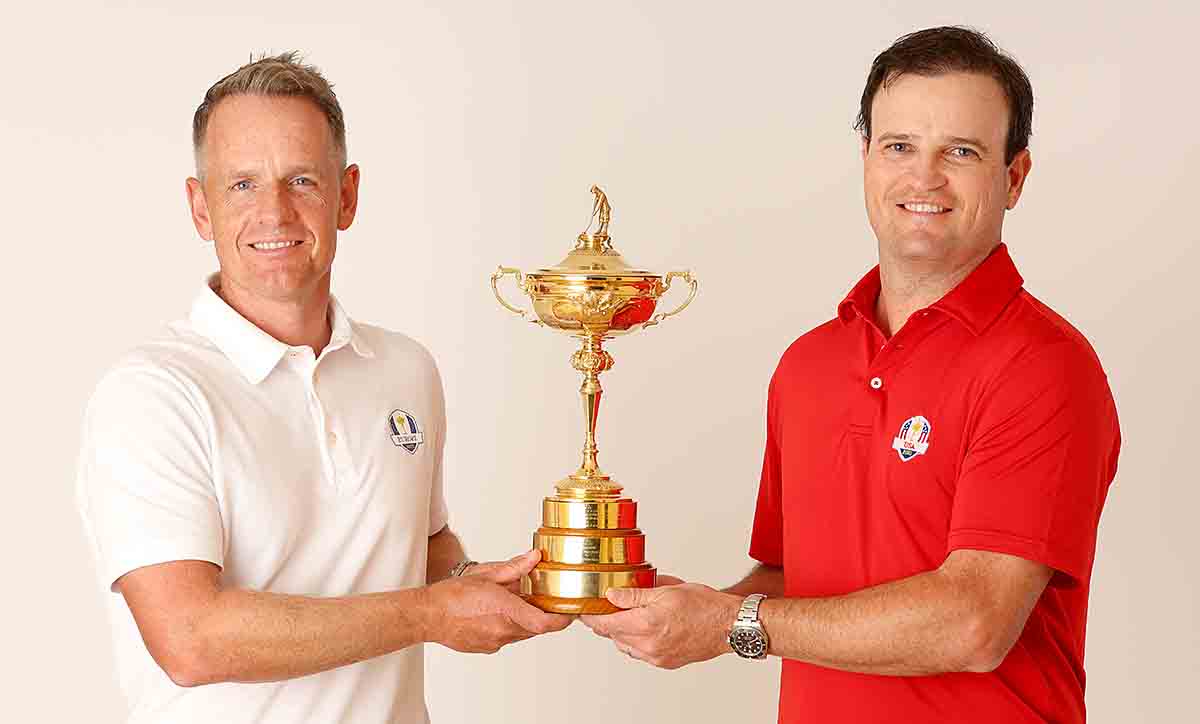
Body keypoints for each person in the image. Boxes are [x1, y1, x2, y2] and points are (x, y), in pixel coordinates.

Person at [581, 26, 1121, 724]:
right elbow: (792, 582)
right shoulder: (807, 366)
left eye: (960, 151)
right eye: (900, 146)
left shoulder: (1045, 366)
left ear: (1013, 177)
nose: (923, 178)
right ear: (866, 159)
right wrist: (669, 606)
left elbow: (975, 622)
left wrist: (728, 623)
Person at [75, 52, 570, 724]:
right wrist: (428, 615)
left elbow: (419, 545)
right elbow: (190, 638)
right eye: (242, 184)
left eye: (301, 179)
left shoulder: (405, 369)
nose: (273, 212)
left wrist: (484, 583)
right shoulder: (152, 394)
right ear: (200, 207)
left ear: (346, 196)